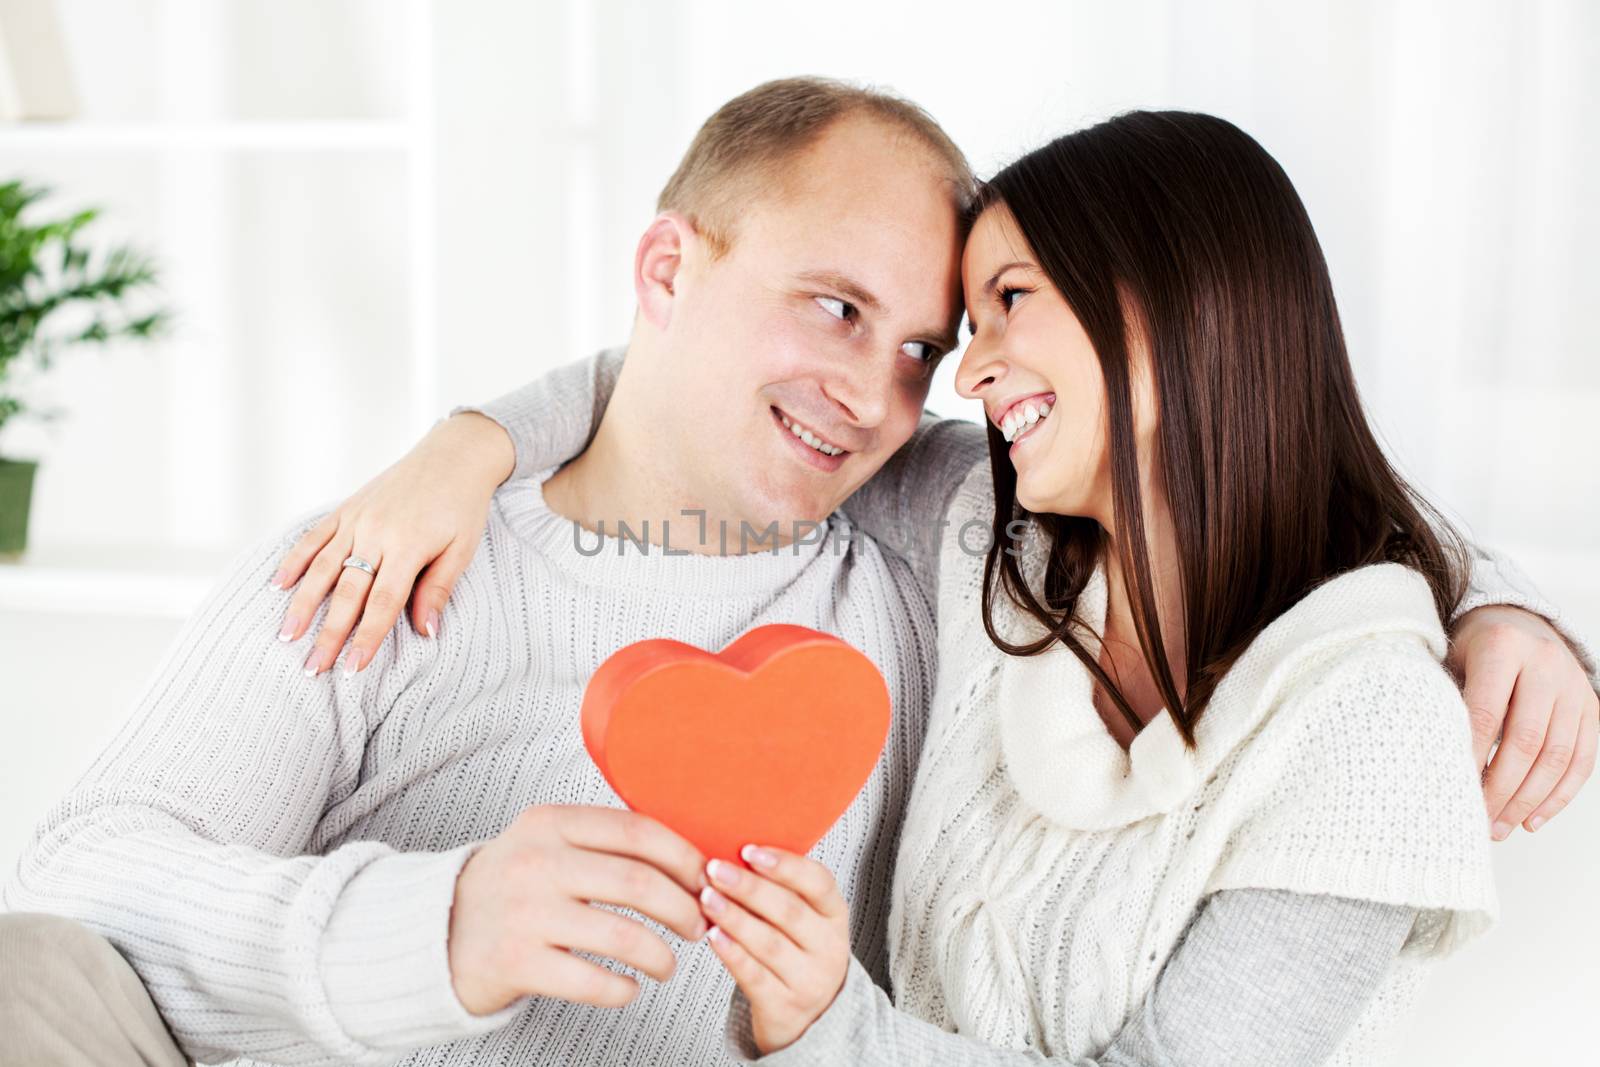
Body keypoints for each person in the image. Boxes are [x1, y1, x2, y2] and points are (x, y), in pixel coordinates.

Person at [0, 80, 1591, 1067]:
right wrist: (439, 927)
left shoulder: (930, 545)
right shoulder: (388, 556)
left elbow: (1245, 458)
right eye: (835, 308)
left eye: (923, 344)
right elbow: (74, 890)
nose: (893, 390)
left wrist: (1501, 602)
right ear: (667, 270)